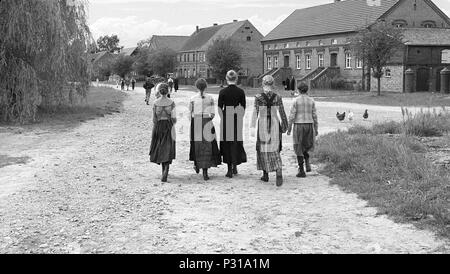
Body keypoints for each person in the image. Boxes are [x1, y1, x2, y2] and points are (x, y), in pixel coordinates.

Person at [251, 75, 288, 187]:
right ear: (273, 84)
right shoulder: (278, 97)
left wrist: (252, 126)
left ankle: (265, 174)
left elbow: (255, 112)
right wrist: (284, 126)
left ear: (263, 84)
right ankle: (278, 170)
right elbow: (282, 112)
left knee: (262, 148)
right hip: (274, 122)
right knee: (275, 147)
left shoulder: (258, 97)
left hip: (262, 122)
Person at [189, 78, 222, 181]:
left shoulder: (193, 98)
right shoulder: (210, 98)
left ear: (196, 86)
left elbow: (190, 112)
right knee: (208, 145)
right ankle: (205, 170)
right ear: (206, 86)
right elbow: (212, 114)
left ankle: (197, 163)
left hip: (197, 120)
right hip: (207, 121)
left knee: (196, 144)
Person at [218, 70, 247, 178]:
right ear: (236, 78)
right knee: (236, 142)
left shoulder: (223, 92)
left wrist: (223, 118)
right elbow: (243, 106)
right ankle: (235, 165)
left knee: (227, 143)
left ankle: (229, 168)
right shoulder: (240, 91)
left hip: (226, 117)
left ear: (226, 78)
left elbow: (220, 107)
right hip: (236, 116)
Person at [287, 82, 319, 178]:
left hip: (299, 124)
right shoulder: (311, 100)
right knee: (307, 144)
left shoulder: (296, 100)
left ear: (298, 90)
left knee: (298, 146)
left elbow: (292, 115)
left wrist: (289, 128)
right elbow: (315, 116)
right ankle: (307, 162)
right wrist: (316, 128)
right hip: (309, 124)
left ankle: (301, 170)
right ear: (307, 90)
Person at [149, 83, 177, 182]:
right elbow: (174, 118)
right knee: (168, 146)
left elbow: (154, 119)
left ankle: (163, 170)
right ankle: (166, 169)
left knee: (159, 146)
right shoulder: (171, 102)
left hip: (159, 126)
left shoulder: (155, 103)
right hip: (168, 125)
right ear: (167, 91)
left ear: (159, 91)